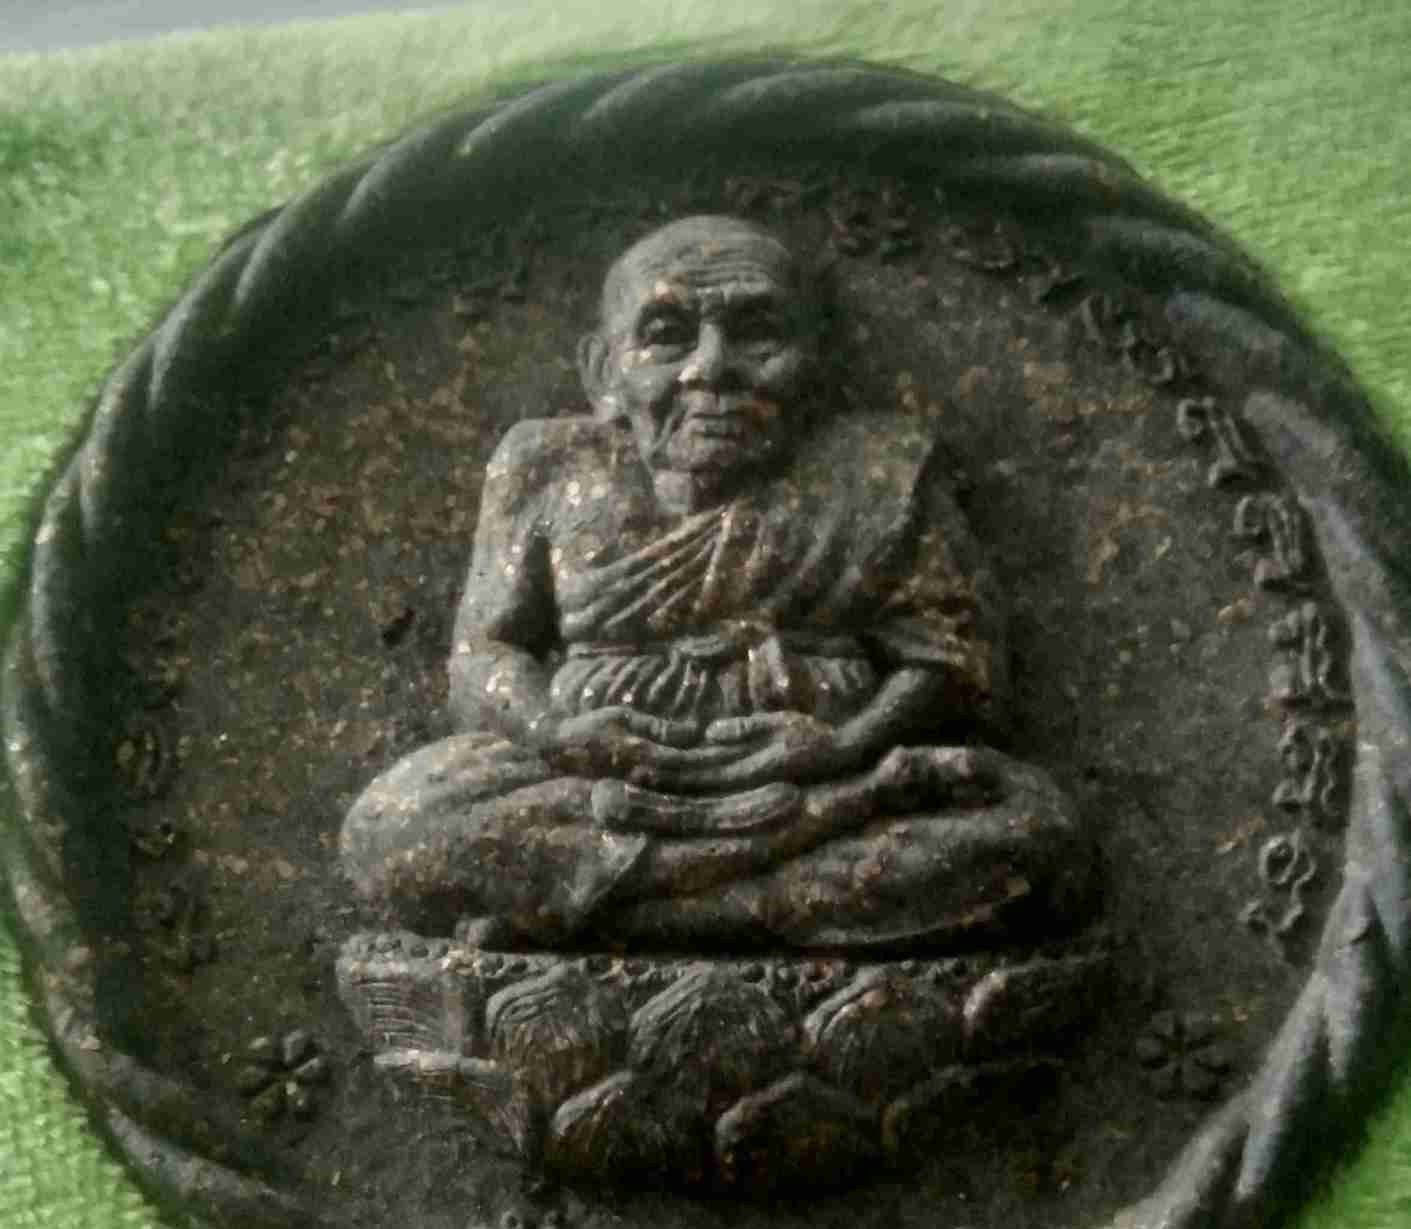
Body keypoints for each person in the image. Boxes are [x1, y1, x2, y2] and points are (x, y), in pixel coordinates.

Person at [341, 215, 1091, 950]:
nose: (711, 367)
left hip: (827, 779)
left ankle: (615, 913)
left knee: (1032, 831)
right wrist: (555, 734)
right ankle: (758, 906)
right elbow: (484, 651)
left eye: (757, 333)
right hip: (601, 786)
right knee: (397, 825)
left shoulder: (881, 469)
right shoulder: (545, 464)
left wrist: (844, 746)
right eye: (667, 334)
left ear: (816, 364)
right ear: (603, 372)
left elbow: (956, 662)